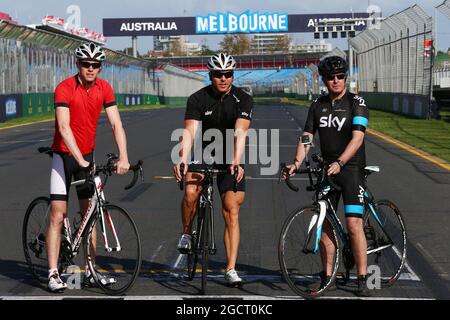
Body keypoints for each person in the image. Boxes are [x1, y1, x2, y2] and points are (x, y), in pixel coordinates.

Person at [284, 55, 371, 296]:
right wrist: (295, 162)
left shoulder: (357, 102)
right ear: (323, 80)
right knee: (325, 226)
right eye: (331, 77)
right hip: (327, 170)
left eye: (340, 76)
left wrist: (342, 161)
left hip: (351, 168)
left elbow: (358, 138)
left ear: (345, 78)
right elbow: (307, 137)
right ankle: (327, 276)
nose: (336, 81)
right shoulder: (318, 105)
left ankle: (362, 278)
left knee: (354, 225)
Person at [46, 42, 130, 292]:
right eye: (86, 64)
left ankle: (90, 270)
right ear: (78, 65)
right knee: (58, 214)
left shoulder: (104, 88)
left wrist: (124, 157)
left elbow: (116, 124)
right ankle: (52, 273)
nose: (90, 69)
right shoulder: (64, 88)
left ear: (100, 68)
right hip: (63, 156)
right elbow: (63, 127)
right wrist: (79, 160)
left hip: (86, 156)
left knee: (89, 216)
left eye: (95, 65)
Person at [173, 53, 253, 287]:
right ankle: (187, 233)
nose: (223, 78)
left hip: (231, 157)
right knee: (190, 193)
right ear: (210, 75)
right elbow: (189, 132)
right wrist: (183, 159)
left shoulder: (243, 99)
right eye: (218, 74)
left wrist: (236, 162)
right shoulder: (197, 98)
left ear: (233, 75)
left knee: (231, 210)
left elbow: (240, 132)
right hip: (205, 154)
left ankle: (230, 269)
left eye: (228, 74)